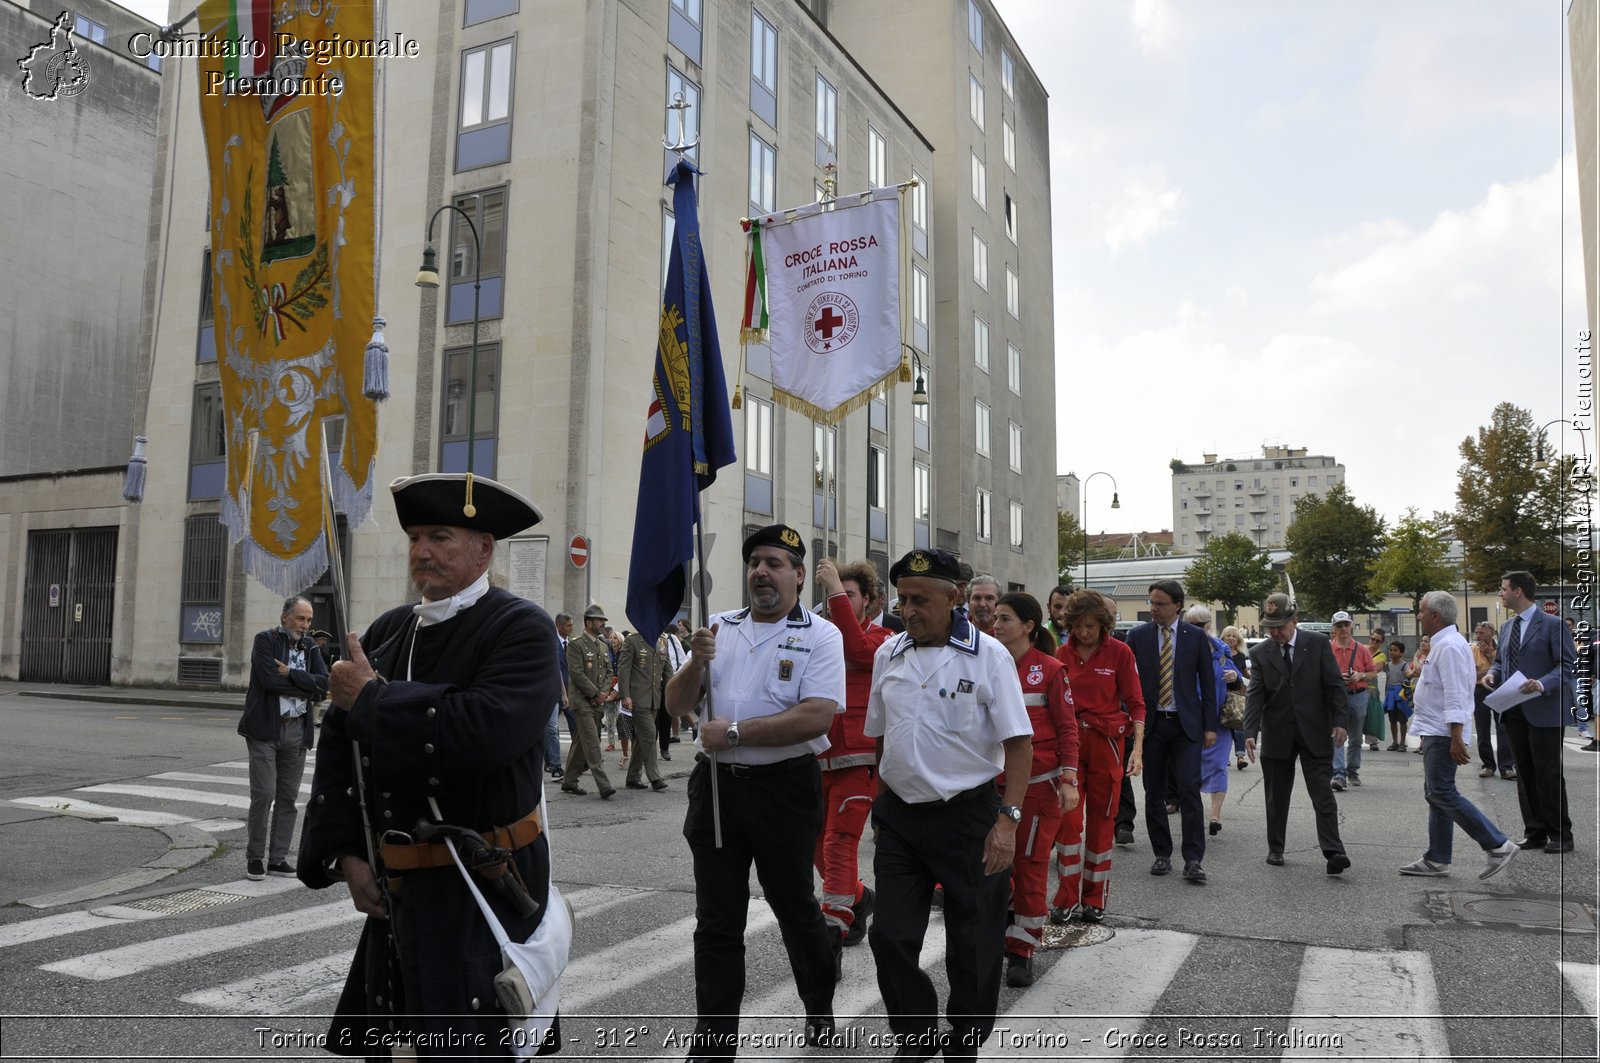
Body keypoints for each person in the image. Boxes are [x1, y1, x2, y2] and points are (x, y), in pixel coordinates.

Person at [296, 472, 563, 1056]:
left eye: (440, 536)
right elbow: (342, 752)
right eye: (415, 536)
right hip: (399, 889)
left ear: (483, 549)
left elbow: (483, 732)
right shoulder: (390, 631)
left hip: (485, 888)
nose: (422, 551)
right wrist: (347, 854)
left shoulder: (522, 628)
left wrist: (371, 699)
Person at [664, 524, 844, 1057]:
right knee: (717, 920)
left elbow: (817, 716)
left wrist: (737, 733)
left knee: (794, 906)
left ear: (798, 574)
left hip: (784, 789)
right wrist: (696, 661)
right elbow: (676, 706)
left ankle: (818, 1003)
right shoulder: (718, 626)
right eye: (754, 564)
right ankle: (714, 1041)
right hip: (718, 789)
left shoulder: (820, 634)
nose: (761, 572)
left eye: (774, 563)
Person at [864, 548, 1031, 1063]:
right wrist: (882, 797)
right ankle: (915, 1036)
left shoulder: (989, 656)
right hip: (901, 819)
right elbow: (879, 735)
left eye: (920, 600)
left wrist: (1008, 820)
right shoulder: (887, 654)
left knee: (976, 940)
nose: (908, 610)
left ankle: (964, 1042)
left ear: (953, 598)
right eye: (902, 600)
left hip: (969, 816)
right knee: (889, 935)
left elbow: (1019, 744)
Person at [1397, 591, 1520, 879]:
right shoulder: (1444, 644)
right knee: (1436, 793)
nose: (1419, 615)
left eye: (1422, 611)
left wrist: (1455, 736)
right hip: (1436, 730)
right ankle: (1437, 858)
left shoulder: (1449, 646)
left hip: (1443, 731)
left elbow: (1455, 694)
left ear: (1435, 616)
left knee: (1441, 792)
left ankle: (1497, 844)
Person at [991, 592, 1078, 988]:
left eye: (1005, 618)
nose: (996, 624)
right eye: (995, 618)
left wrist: (1068, 779)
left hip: (1039, 788)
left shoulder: (1051, 670)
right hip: (991, 786)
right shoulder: (986, 663)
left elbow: (1067, 728)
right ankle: (998, 933)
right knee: (991, 867)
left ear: (1028, 626)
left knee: (1029, 867)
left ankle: (1022, 949)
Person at [814, 557, 892, 977]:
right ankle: (858, 898)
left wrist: (835, 594)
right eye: (831, 596)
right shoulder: (821, 636)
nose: (835, 603)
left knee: (839, 841)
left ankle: (833, 929)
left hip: (859, 761)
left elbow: (859, 652)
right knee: (815, 841)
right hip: (818, 755)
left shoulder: (885, 638)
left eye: (848, 595)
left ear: (869, 601)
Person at [1050, 590, 1143, 925]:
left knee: (1103, 824)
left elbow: (1136, 704)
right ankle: (1065, 897)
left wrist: (1139, 750)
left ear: (1103, 624)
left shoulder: (1120, 652)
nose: (1084, 632)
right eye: (1077, 626)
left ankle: (1094, 898)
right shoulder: (1062, 652)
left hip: (1107, 744)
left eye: (1090, 625)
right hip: (1072, 745)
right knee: (1068, 823)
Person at [1243, 591, 1352, 875]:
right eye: (1271, 626)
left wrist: (1341, 721)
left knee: (1322, 795)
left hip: (1315, 731)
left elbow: (1334, 685)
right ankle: (1276, 847)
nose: (1275, 632)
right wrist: (1249, 731)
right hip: (1277, 733)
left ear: (1295, 620)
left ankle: (1334, 851)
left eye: (1280, 625)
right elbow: (1255, 695)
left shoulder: (1316, 645)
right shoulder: (1260, 653)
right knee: (1276, 797)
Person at [1124, 580, 1217, 883]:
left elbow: (1208, 683)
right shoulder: (1137, 637)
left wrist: (1209, 726)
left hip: (1185, 724)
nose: (1154, 609)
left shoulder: (1195, 638)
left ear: (1178, 605)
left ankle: (1193, 859)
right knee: (1154, 792)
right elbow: (1127, 682)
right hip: (1151, 725)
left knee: (1189, 789)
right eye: (1152, 602)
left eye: (1160, 603)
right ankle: (1161, 854)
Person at [1485, 570, 1577, 853]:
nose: (1500, 593)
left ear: (1518, 591)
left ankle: (1561, 835)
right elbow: (1502, 662)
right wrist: (1492, 673)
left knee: (1547, 773)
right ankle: (1534, 831)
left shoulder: (1552, 624)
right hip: (1513, 710)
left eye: (1503, 589)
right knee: (1524, 772)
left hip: (1544, 710)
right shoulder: (1507, 627)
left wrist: (1541, 683)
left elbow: (1567, 665)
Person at [240, 595, 328, 881]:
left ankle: (278, 859)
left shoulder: (311, 646)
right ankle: (255, 857)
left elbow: (324, 683)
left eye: (309, 620)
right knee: (264, 794)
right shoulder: (265, 640)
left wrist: (290, 673)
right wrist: (306, 684)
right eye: (300, 618)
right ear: (284, 617)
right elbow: (268, 681)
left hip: (297, 729)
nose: (305, 625)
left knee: (288, 799)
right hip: (266, 728)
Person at [1186, 607, 1238, 837]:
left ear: (1209, 624)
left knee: (1218, 766)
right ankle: (1192, 810)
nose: (1200, 628)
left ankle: (1215, 816)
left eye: (1203, 624)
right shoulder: (1181, 648)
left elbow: (1236, 673)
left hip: (1219, 718)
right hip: (1191, 718)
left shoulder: (1220, 647)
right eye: (1194, 624)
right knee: (1191, 767)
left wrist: (1233, 676)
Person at [564, 605, 618, 799]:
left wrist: (603, 693)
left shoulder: (603, 645)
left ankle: (569, 781)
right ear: (589, 622)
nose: (603, 623)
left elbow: (609, 672)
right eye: (599, 620)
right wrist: (595, 694)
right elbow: (577, 674)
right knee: (593, 743)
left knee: (581, 742)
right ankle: (604, 785)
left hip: (598, 702)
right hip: (582, 702)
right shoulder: (576, 644)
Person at [1328, 611, 1376, 791]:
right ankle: (1339, 774)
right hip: (1337, 696)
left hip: (1358, 694)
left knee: (1356, 737)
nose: (1343, 629)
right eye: (1339, 626)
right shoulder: (1328, 648)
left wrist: (1360, 675)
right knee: (1337, 734)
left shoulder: (1361, 649)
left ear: (1351, 626)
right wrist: (1335, 678)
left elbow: (1372, 673)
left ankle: (1353, 770)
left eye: (1346, 625)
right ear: (1334, 628)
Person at [618, 629, 668, 791]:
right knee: (649, 735)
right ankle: (655, 777)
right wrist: (625, 695)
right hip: (637, 697)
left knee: (641, 738)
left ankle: (633, 777)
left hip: (655, 697)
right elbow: (623, 668)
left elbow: (667, 668)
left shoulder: (662, 640)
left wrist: (673, 691)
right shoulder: (632, 640)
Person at [1471, 620, 1515, 780]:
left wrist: (1490, 654)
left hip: (1500, 689)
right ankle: (1488, 765)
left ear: (1491, 633)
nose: (1478, 636)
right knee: (1482, 730)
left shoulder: (1501, 648)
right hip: (1480, 690)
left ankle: (1506, 767)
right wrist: (1484, 673)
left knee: (1503, 728)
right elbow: (1470, 674)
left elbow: (1506, 668)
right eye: (1477, 632)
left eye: (1481, 633)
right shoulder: (1473, 650)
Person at [546, 613, 573, 780]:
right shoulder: (550, 643)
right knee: (551, 728)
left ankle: (578, 762)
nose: (571, 628)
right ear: (559, 626)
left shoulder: (571, 644)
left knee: (576, 727)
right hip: (552, 693)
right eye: (568, 625)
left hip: (569, 693)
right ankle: (555, 764)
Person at [1221, 626, 1252, 770]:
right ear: (1223, 637)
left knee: (1239, 726)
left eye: (1234, 636)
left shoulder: (1240, 655)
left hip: (1237, 696)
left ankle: (1240, 757)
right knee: (1224, 727)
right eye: (1228, 636)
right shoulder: (1218, 653)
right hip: (1221, 694)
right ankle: (1224, 757)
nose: (1231, 638)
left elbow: (1245, 673)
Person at [1384, 639, 1411, 750]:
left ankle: (1402, 743)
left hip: (1401, 695)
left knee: (1403, 720)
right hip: (1390, 695)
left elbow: (1409, 674)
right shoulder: (1387, 665)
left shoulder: (1404, 665)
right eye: (1391, 650)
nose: (1392, 652)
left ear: (1401, 653)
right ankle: (1394, 742)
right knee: (1392, 720)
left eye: (1395, 650)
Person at [1365, 628, 1388, 752]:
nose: (1374, 642)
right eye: (1372, 639)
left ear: (1381, 643)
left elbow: (1376, 669)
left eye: (1377, 641)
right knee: (1357, 713)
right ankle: (1355, 738)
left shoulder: (1381, 656)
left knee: (1372, 714)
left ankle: (1372, 741)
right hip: (1358, 685)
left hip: (1372, 688)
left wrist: (1363, 670)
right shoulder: (1362, 648)